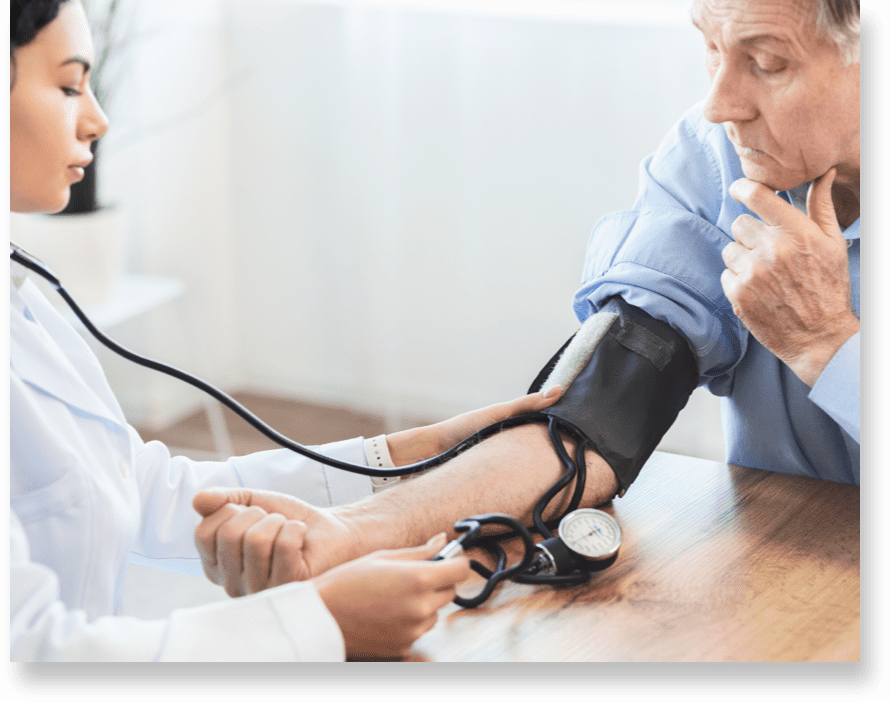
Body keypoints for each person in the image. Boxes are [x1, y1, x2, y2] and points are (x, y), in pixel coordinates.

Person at [192, 0, 859, 600]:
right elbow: (595, 420)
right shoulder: (715, 154)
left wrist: (828, 346)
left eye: (767, 63)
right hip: (785, 562)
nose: (719, 102)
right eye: (711, 49)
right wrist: (352, 532)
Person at [9, 0, 569, 661]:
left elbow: (135, 486)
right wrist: (317, 627)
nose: (98, 119)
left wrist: (408, 454)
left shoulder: (29, 307)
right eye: (70, 85)